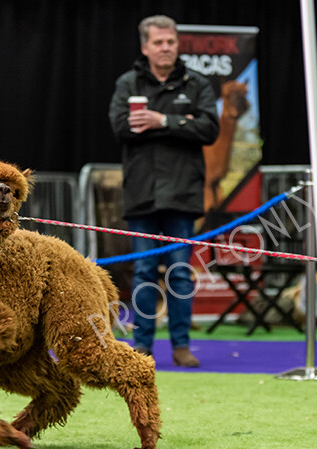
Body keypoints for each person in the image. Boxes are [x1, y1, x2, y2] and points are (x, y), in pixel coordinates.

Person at [108, 15, 219, 368]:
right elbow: (121, 127)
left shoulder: (196, 83)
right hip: (142, 192)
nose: (166, 47)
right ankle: (142, 344)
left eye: (171, 41)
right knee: (142, 271)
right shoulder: (128, 82)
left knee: (180, 271)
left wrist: (163, 121)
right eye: (158, 42)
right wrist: (179, 126)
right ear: (145, 47)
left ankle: (182, 345)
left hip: (183, 194)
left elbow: (209, 130)